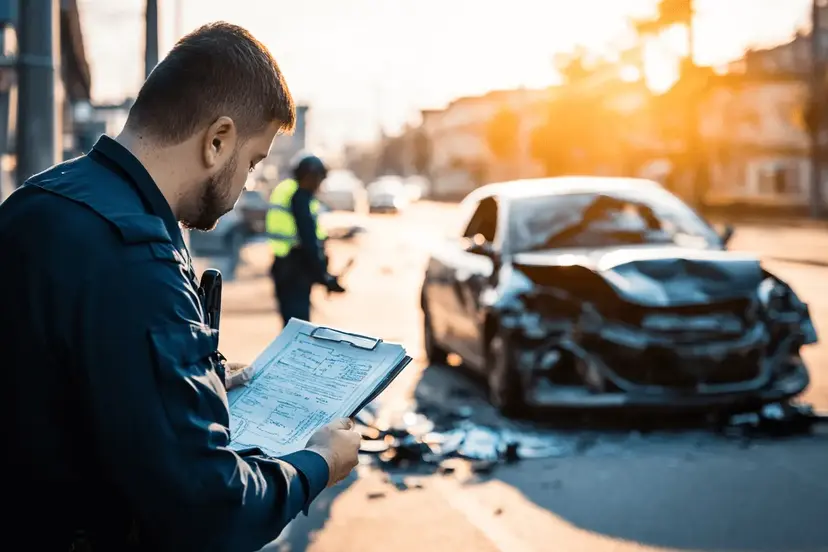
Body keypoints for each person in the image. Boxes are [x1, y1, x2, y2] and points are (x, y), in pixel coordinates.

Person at [0, 23, 360, 552]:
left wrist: (187, 381)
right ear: (217, 141)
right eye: (252, 162)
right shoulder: (137, 259)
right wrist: (319, 463)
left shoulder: (36, 201)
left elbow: (67, 383)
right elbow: (212, 511)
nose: (247, 183)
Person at [267, 153, 346, 325]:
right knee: (298, 327)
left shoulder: (288, 190)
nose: (319, 185)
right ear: (310, 176)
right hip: (294, 272)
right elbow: (308, 239)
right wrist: (323, 276)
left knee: (291, 325)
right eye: (319, 179)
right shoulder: (300, 197)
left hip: (284, 267)